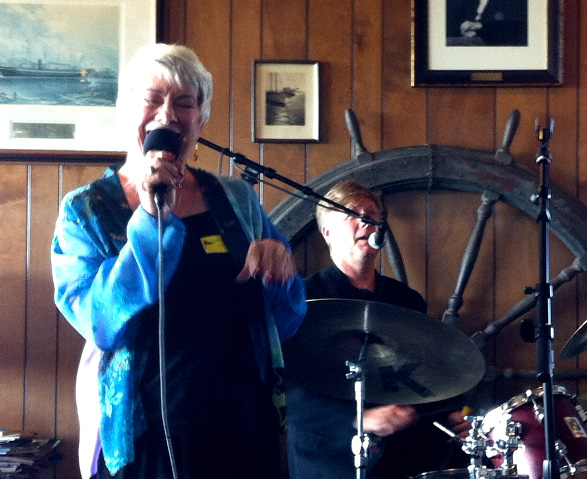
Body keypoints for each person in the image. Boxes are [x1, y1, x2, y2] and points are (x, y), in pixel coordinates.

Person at [51, 43, 306, 479]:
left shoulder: (236, 200)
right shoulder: (86, 210)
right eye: (152, 99)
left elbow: (285, 323)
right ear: (125, 112)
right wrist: (151, 219)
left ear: (200, 121)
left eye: (185, 103)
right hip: (144, 439)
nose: (168, 115)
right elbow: (100, 323)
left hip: (242, 430)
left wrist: (280, 273)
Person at [285, 181, 473, 479]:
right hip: (328, 459)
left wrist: (450, 415)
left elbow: (422, 377)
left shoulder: (406, 301)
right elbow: (285, 391)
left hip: (401, 458)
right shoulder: (303, 299)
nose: (366, 220)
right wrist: (358, 419)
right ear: (327, 232)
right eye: (352, 213)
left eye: (372, 214)